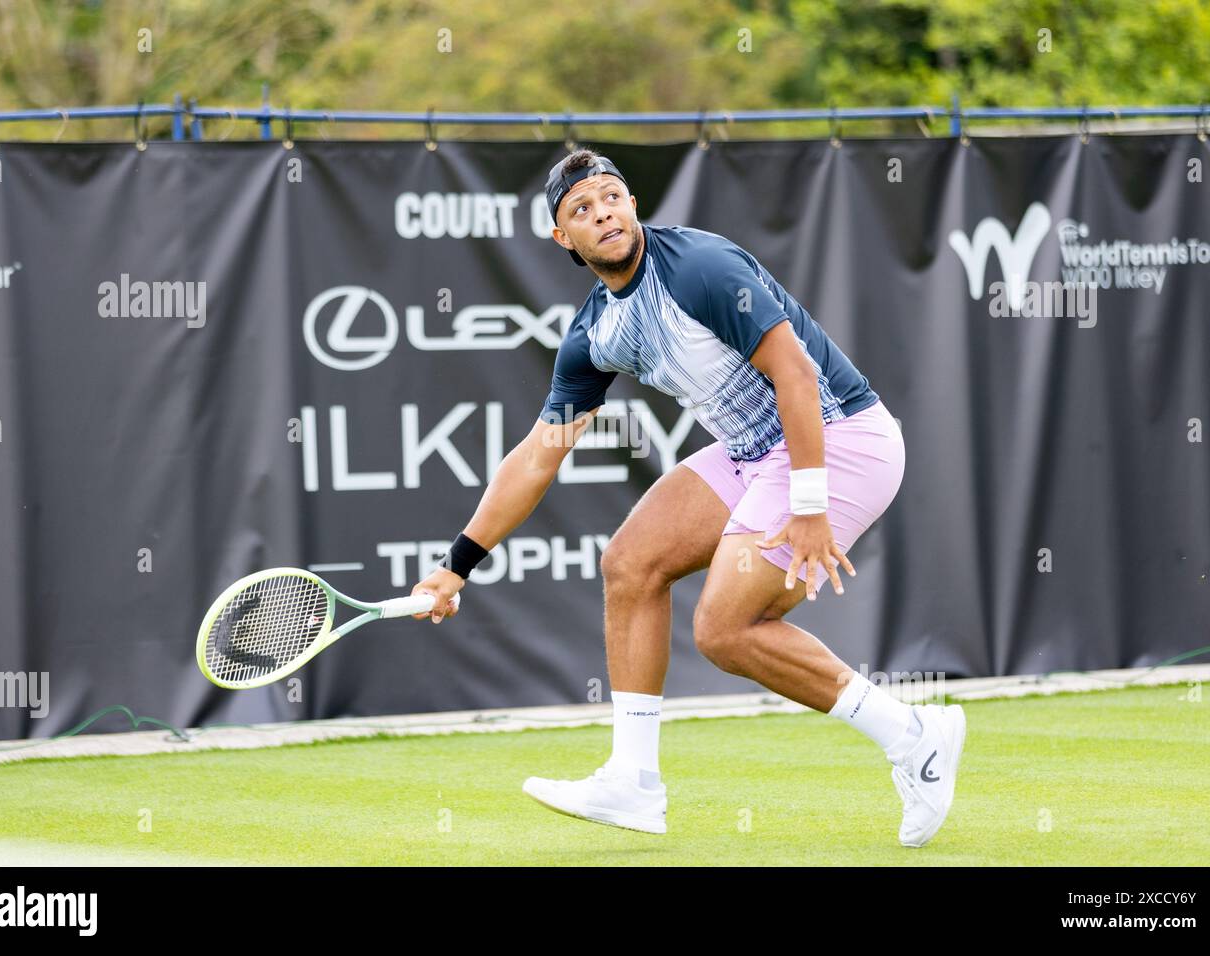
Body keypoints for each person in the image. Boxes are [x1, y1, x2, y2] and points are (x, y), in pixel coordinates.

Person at [409, 148, 965, 847]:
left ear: (632, 204)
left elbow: (794, 374)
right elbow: (537, 457)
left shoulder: (702, 268)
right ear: (564, 239)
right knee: (630, 564)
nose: (601, 212)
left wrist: (811, 505)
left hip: (841, 440)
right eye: (580, 209)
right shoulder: (593, 335)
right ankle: (633, 783)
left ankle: (915, 736)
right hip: (753, 453)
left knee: (725, 630)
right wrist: (457, 565)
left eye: (611, 197)